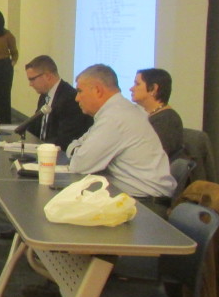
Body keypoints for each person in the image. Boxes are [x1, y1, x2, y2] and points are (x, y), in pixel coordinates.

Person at [67, 64, 176, 210]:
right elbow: (78, 146)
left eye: (80, 91)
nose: (77, 98)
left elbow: (79, 165)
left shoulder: (115, 117)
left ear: (98, 90)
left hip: (145, 206)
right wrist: (78, 151)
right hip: (136, 198)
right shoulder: (117, 111)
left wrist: (77, 152)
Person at [22, 55, 92, 149]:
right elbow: (35, 126)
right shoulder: (44, 95)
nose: (30, 84)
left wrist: (40, 148)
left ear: (47, 76)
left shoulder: (70, 98)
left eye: (32, 79)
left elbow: (65, 139)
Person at [130, 68, 184, 159]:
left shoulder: (167, 121)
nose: (131, 89)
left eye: (137, 84)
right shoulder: (148, 115)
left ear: (153, 89)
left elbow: (150, 156)